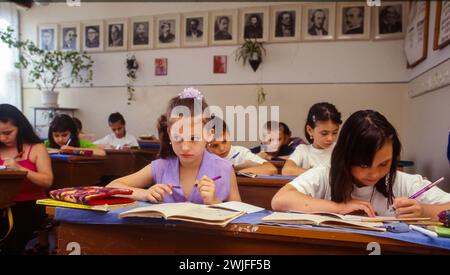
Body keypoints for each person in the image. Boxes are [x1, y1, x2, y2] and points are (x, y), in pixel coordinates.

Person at [272, 110, 450, 219]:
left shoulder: (402, 182)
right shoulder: (326, 174)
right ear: (346, 156)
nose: (374, 174)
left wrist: (425, 210)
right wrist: (340, 208)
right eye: (363, 165)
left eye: (384, 163)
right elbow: (280, 200)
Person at [108, 87, 241, 204]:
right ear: (169, 133)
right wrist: (144, 194)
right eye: (178, 138)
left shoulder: (225, 169)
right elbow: (110, 187)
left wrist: (215, 202)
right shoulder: (160, 167)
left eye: (194, 138)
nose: (185, 147)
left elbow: (240, 217)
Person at [0, 104, 53, 254]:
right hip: (3, 205)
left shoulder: (36, 148)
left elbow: (47, 181)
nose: (3, 138)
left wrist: (21, 169)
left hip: (29, 205)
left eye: (8, 132)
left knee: (12, 233)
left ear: (20, 127)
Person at [282, 103, 342, 176]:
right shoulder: (303, 150)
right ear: (310, 130)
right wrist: (321, 174)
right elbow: (287, 170)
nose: (330, 138)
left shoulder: (339, 151)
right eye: (324, 133)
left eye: (335, 133)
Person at [206, 116, 277, 176]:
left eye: (224, 141)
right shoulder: (202, 157)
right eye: (214, 146)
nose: (222, 148)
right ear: (205, 145)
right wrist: (235, 169)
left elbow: (271, 169)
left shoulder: (241, 153)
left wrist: (237, 172)